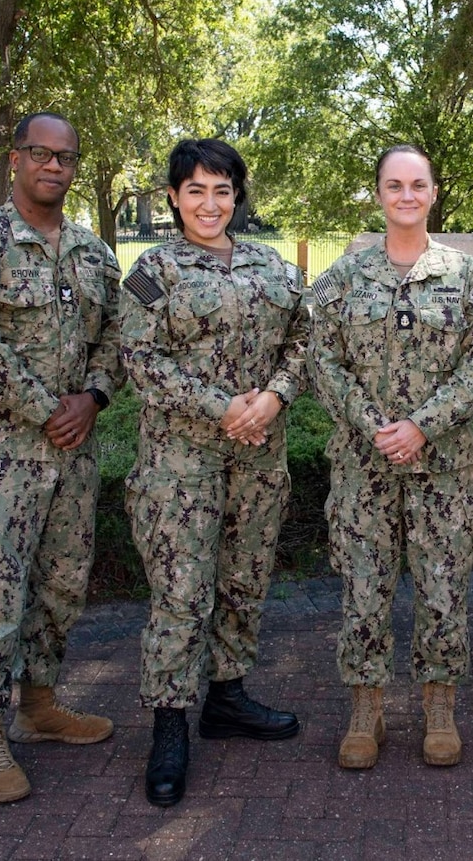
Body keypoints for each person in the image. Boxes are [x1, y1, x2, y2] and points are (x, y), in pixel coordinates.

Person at [0, 111, 124, 804]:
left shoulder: (94, 254)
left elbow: (117, 337)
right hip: (0, 458)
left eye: (65, 157)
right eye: (39, 153)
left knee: (61, 586)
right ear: (14, 159)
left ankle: (39, 705)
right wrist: (53, 408)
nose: (54, 166)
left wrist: (94, 396)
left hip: (73, 456)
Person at [119, 138, 308, 808]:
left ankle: (226, 697)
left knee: (243, 576)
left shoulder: (272, 266)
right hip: (180, 460)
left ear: (238, 196)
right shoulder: (153, 270)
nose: (210, 203)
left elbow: (303, 339)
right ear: (173, 197)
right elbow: (138, 359)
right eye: (196, 189)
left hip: (259, 453)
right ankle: (170, 723)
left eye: (222, 190)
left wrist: (275, 395)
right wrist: (221, 406)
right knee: (181, 590)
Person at [310, 144, 473, 770]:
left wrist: (421, 426)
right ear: (379, 195)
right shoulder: (343, 279)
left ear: (434, 192)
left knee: (443, 589)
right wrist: (376, 427)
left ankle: (438, 706)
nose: (407, 196)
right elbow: (325, 360)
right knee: (364, 590)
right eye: (394, 185)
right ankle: (366, 709)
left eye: (418, 184)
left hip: (443, 467)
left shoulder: (468, 278)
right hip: (363, 467)